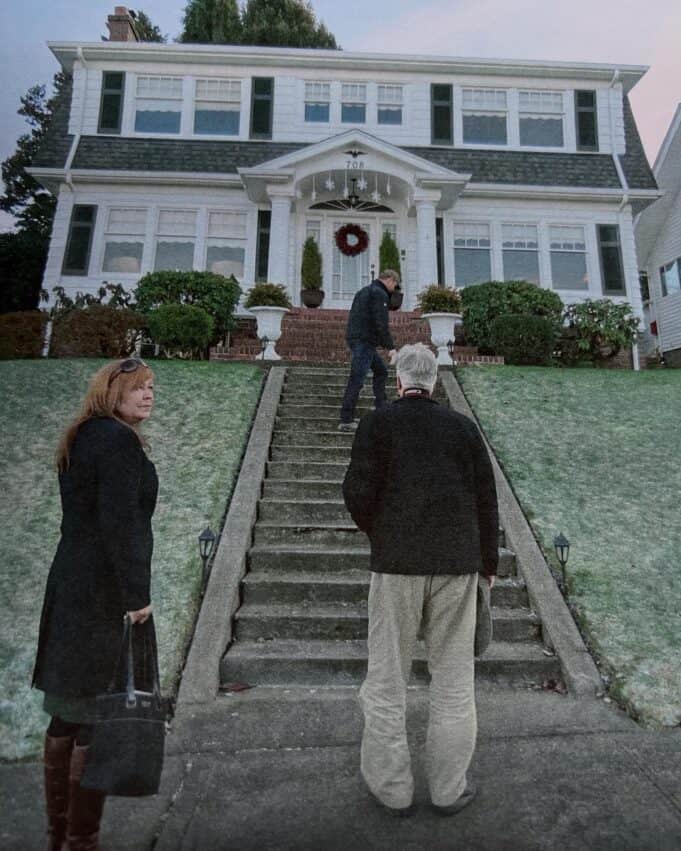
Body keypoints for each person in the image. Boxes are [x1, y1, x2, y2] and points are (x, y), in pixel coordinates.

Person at [342, 343, 498, 817]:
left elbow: (356, 492)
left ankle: (392, 790)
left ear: (399, 378)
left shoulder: (378, 424)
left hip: (396, 566)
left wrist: (382, 532)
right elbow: (486, 500)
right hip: (458, 566)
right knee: (454, 682)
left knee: (387, 679)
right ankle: (449, 790)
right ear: (435, 381)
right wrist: (487, 565)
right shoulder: (463, 429)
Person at [32, 357, 158, 851]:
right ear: (113, 393)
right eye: (139, 389)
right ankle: (82, 840)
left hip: (70, 584)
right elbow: (122, 525)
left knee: (66, 712)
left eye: (151, 388)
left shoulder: (81, 434)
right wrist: (137, 597)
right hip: (102, 593)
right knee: (91, 718)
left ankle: (58, 836)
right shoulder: (118, 443)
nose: (148, 396)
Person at [338, 269, 399, 431]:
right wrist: (391, 347)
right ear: (390, 280)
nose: (395, 287)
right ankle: (346, 419)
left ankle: (381, 405)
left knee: (381, 371)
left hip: (356, 338)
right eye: (395, 284)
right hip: (364, 341)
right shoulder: (380, 294)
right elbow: (381, 323)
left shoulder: (363, 291)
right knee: (357, 378)